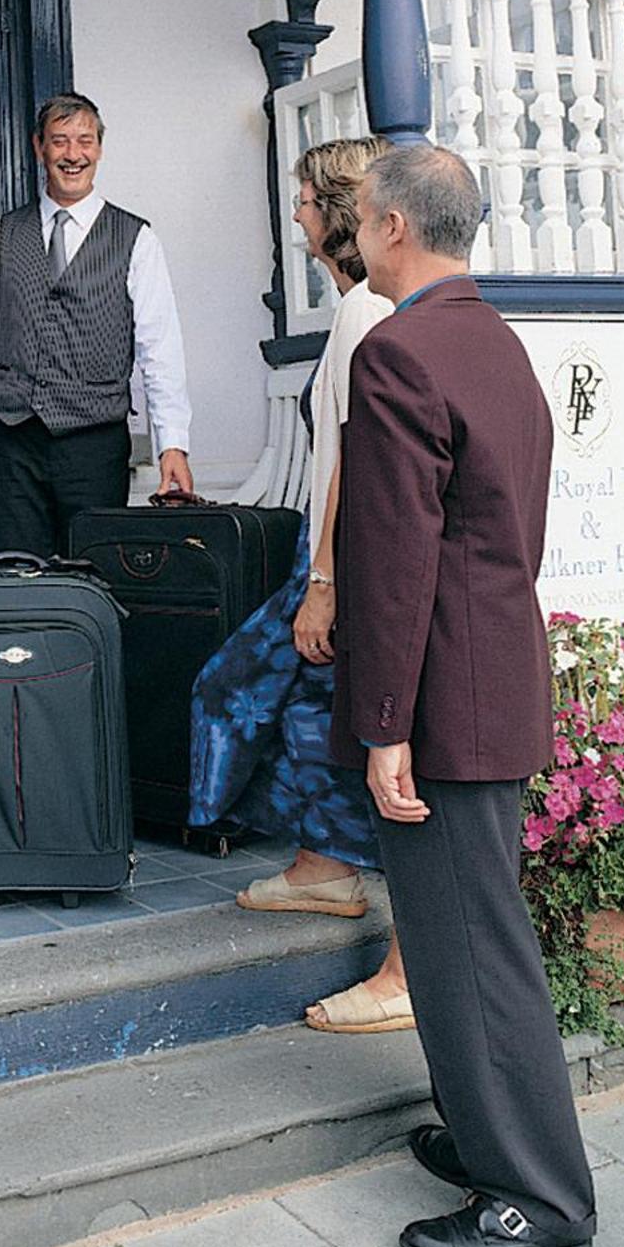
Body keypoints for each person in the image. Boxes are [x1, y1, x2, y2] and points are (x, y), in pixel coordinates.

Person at [338, 142, 595, 1247]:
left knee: (473, 950)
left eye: (355, 217)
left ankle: (537, 1196)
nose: (350, 234)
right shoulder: (490, 339)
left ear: (394, 224)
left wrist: (383, 717)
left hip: (444, 692)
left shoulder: (398, 351)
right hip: (492, 669)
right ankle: (494, 1137)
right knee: (456, 943)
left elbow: (395, 559)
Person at [189, 138, 411, 1034]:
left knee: (242, 690)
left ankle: (397, 946)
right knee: (310, 710)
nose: (293, 213)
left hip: (338, 556)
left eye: (302, 199)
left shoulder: (366, 313)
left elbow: (354, 457)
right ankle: (323, 867)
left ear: (333, 211)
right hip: (335, 552)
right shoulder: (365, 307)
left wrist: (320, 580)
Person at [0, 93, 193, 557]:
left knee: (91, 576)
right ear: (39, 148)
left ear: (99, 148)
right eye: (60, 141)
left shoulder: (136, 239)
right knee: (15, 574)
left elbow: (160, 351)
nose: (72, 154)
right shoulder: (0, 236)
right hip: (12, 442)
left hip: (94, 445)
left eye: (84, 141)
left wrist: (172, 444)